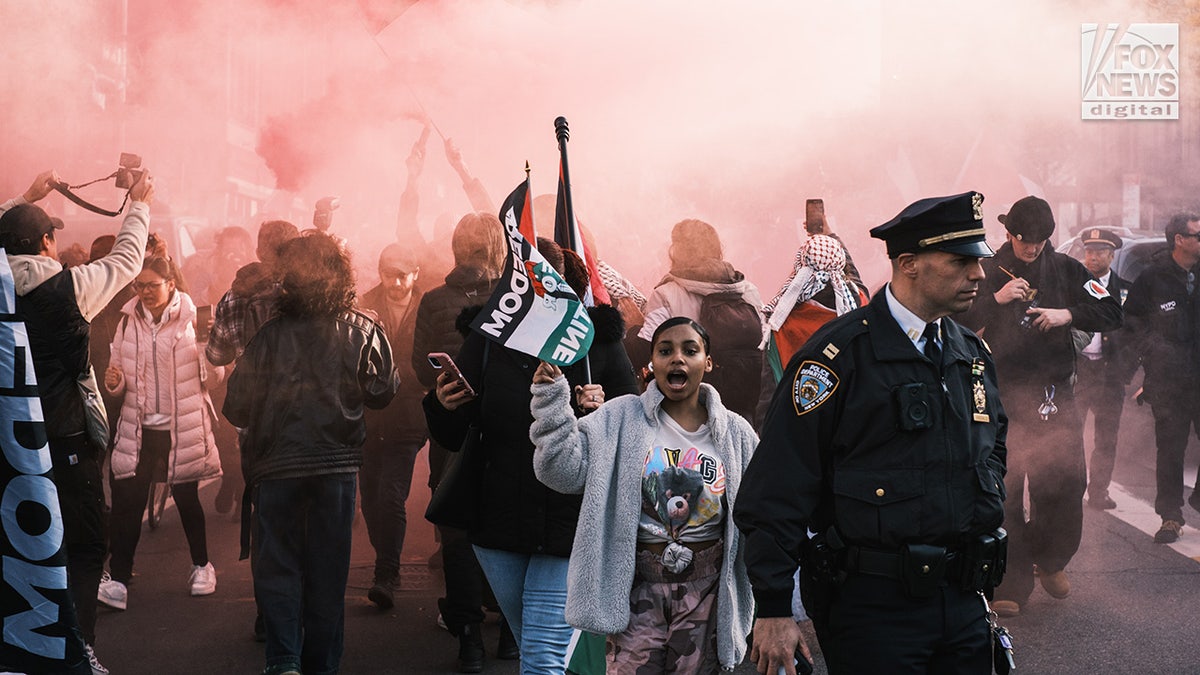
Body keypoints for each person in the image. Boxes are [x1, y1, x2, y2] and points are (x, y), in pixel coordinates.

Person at [736, 192, 1009, 674]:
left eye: (978, 261)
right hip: (875, 610)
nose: (979, 274)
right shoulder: (837, 357)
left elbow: (993, 449)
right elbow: (779, 484)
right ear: (909, 264)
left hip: (964, 601)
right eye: (961, 261)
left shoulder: (970, 353)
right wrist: (774, 606)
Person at [425, 238, 639, 674]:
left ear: (562, 284)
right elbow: (453, 435)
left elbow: (633, 426)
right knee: (538, 650)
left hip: (569, 524)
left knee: (541, 659)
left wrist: (601, 412)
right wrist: (443, 404)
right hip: (498, 525)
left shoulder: (596, 343)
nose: (534, 293)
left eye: (544, 283)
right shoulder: (485, 340)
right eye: (523, 282)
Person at [529, 317, 757, 673]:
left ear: (707, 363)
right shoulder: (618, 418)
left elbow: (759, 507)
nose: (677, 359)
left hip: (707, 593)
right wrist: (551, 402)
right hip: (637, 590)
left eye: (690, 350)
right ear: (653, 364)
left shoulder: (737, 434)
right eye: (665, 351)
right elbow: (560, 472)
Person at [0, 167, 154, 675]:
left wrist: (25, 196)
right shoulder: (72, 286)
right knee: (84, 546)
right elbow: (128, 259)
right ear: (47, 242)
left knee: (16, 543)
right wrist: (139, 203)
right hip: (65, 438)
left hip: (8, 439)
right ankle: (78, 646)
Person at [223, 232, 398, 675]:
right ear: (340, 276)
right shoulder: (362, 328)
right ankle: (321, 666)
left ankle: (283, 661)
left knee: (278, 567)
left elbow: (235, 405)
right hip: (335, 468)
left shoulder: (266, 337)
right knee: (327, 573)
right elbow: (382, 392)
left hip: (277, 468)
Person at [957, 196, 1121, 618]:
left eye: (1040, 241)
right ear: (1009, 233)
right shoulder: (988, 269)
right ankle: (1012, 579)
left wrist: (1068, 313)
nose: (1031, 248)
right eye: (1023, 240)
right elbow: (952, 318)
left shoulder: (1067, 269)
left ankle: (1050, 560)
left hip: (1053, 392)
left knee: (1065, 482)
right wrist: (994, 299)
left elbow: (1110, 309)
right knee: (1005, 490)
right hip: (1000, 392)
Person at [411, 211, 507, 672]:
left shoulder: (432, 300)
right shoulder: (515, 296)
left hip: (452, 432)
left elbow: (418, 366)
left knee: (457, 534)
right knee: (507, 526)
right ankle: (510, 632)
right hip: (507, 431)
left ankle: (468, 637)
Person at [98, 256, 223, 610]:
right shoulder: (127, 322)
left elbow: (214, 377)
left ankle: (202, 566)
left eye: (153, 285)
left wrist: (208, 363)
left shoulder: (192, 320)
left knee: (186, 499)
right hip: (139, 430)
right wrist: (115, 382)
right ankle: (120, 580)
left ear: (171, 284)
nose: (145, 292)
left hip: (180, 426)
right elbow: (118, 372)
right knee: (128, 503)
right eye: (140, 286)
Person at [636, 219, 766, 422]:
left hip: (690, 402)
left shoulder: (667, 293)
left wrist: (631, 327)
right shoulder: (746, 289)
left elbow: (647, 346)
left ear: (676, 251)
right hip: (746, 395)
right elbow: (763, 339)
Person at [1120, 213, 1200, 544]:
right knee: (1170, 450)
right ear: (1179, 240)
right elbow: (1132, 323)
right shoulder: (1152, 279)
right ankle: (1170, 516)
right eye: (1197, 235)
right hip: (1169, 382)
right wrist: (1153, 353)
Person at [357, 244, 428, 609]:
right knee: (369, 496)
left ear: (415, 273)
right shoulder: (363, 304)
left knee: (391, 493)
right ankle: (384, 553)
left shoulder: (426, 306)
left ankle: (387, 571)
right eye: (389, 275)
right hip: (368, 415)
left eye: (403, 275)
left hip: (410, 415)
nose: (396, 283)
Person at [755, 234, 867, 428]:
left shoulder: (782, 323)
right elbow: (856, 282)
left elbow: (770, 398)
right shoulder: (861, 309)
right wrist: (832, 237)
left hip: (800, 430)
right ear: (840, 267)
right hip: (854, 428)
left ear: (800, 265)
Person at [1073, 228, 1130, 510]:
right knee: (1071, 434)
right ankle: (1072, 490)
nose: (1092, 257)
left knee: (1106, 437)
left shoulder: (1125, 290)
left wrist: (1126, 370)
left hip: (1109, 374)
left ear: (1111, 254)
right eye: (1089, 251)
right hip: (1079, 370)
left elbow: (1136, 332)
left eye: (1099, 251)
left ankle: (1099, 491)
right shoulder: (1074, 285)